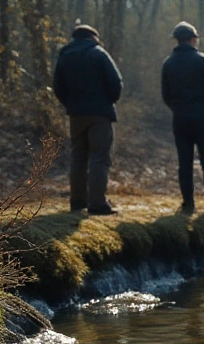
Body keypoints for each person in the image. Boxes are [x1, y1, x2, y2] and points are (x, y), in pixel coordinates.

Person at [53, 24, 123, 215]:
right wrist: (109, 100)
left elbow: (57, 86)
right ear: (93, 37)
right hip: (99, 114)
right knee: (99, 157)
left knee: (78, 157)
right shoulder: (98, 53)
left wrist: (70, 104)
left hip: (76, 114)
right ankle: (97, 203)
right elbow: (116, 82)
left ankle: (77, 202)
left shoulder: (64, 55)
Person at [161, 21, 204, 214]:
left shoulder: (168, 63)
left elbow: (165, 95)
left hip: (179, 117)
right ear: (192, 40)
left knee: (184, 162)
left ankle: (188, 204)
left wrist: (177, 108)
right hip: (201, 115)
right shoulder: (202, 60)